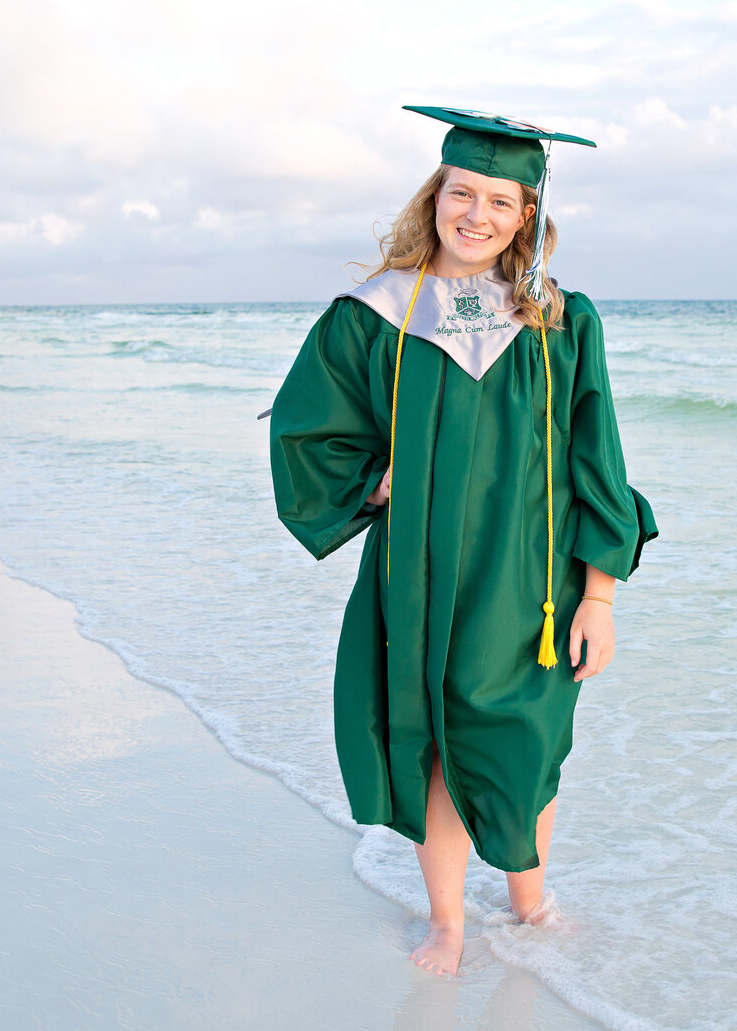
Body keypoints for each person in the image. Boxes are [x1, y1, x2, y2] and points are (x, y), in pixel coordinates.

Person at [268, 106, 656, 978]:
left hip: (538, 581)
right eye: (461, 192)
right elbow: (309, 429)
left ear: (529, 217)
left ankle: (531, 898)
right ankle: (448, 922)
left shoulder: (560, 319)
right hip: (423, 574)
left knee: (528, 739)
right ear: (433, 196)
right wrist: (376, 482)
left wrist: (600, 595)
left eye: (500, 200)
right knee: (439, 742)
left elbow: (598, 458)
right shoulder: (373, 316)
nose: (475, 214)